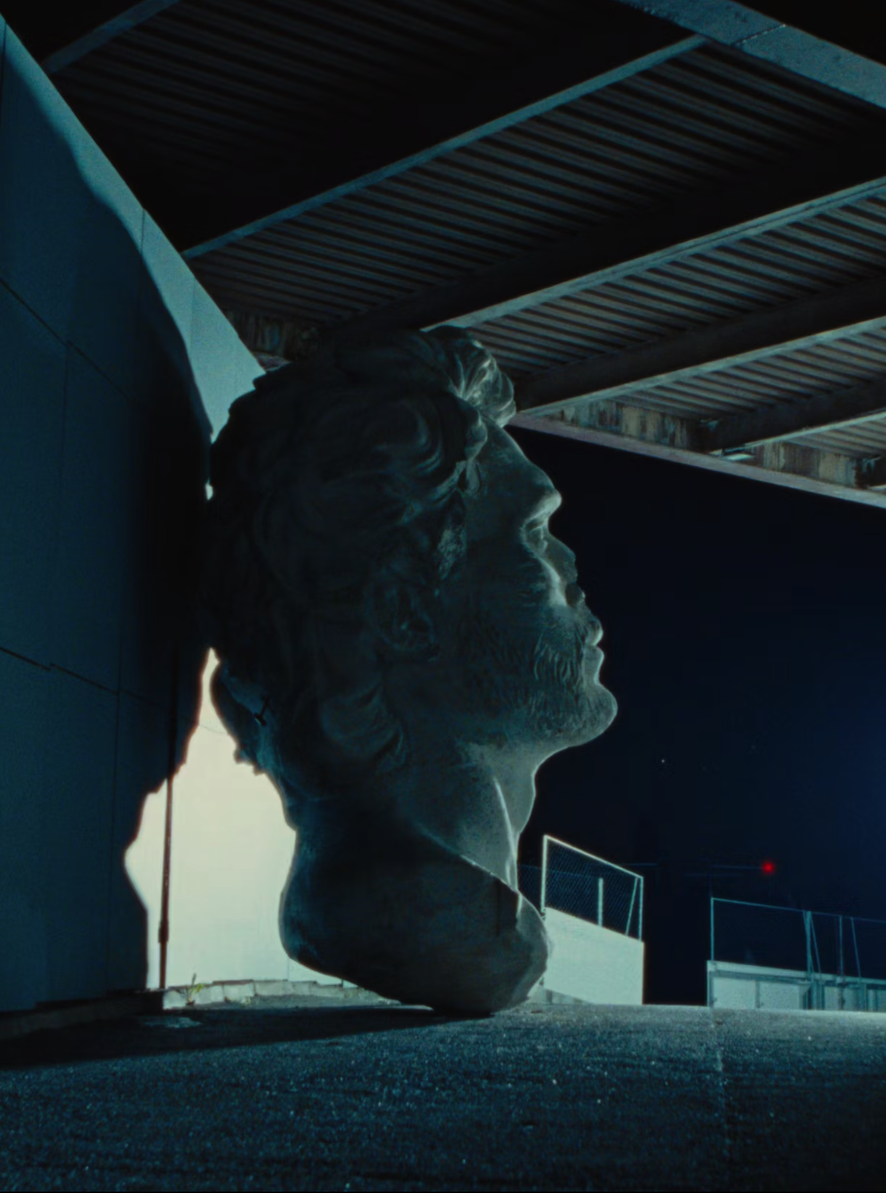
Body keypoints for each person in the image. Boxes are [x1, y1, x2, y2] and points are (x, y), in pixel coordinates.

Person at [200, 329, 619, 1013]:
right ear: (405, 611)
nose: (571, 571)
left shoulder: (426, 900)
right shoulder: (439, 919)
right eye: (535, 534)